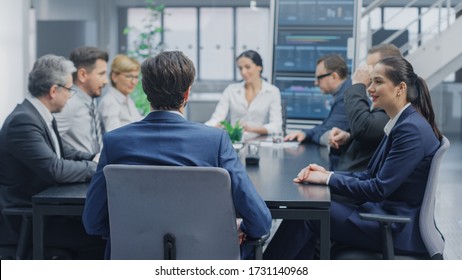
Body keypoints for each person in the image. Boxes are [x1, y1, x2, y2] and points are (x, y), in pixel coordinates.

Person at [82, 51, 272, 259]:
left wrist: (136, 234)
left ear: (146, 91)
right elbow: (260, 222)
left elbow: (92, 222)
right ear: (187, 94)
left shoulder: (115, 142)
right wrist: (238, 227)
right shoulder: (214, 141)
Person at [264, 56, 443, 260]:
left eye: (378, 82)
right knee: (309, 210)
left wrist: (328, 179)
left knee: (308, 214)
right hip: (383, 215)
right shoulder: (401, 123)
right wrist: (327, 174)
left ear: (400, 88)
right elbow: (369, 174)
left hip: (393, 226)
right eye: (371, 81)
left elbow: (378, 188)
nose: (370, 88)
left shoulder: (410, 129)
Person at [0, 54, 104, 259]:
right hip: (26, 219)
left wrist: (95, 157)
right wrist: (97, 168)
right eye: (69, 90)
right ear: (54, 90)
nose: (70, 96)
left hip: (43, 210)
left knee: (99, 228)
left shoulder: (39, 115)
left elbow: (66, 152)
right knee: (99, 237)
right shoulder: (23, 121)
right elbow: (55, 169)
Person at [329, 44, 402, 171]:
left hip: (357, 182)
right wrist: (348, 137)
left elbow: (363, 128)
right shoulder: (384, 104)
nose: (368, 75)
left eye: (372, 69)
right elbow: (372, 133)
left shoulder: (395, 108)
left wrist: (358, 84)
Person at [205, 50, 282, 139]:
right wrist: (203, 129)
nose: (243, 72)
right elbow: (217, 119)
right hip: (235, 142)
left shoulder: (272, 92)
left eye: (247, 67)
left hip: (260, 141)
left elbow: (276, 126)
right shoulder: (231, 90)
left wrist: (252, 128)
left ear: (259, 67)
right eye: (240, 68)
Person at [284, 54, 351, 146]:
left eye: (319, 78)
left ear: (334, 76)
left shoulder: (346, 98)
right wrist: (305, 133)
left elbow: (326, 134)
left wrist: (311, 135)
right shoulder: (342, 94)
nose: (315, 83)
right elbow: (325, 126)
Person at [55, 46, 109, 154]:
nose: (106, 81)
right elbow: (47, 141)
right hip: (79, 168)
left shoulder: (90, 101)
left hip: (92, 167)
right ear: (82, 75)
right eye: (101, 74)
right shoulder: (68, 103)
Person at [98, 54, 143, 132]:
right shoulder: (109, 102)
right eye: (129, 76)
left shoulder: (128, 99)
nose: (134, 82)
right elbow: (114, 136)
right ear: (114, 77)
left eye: (136, 77)